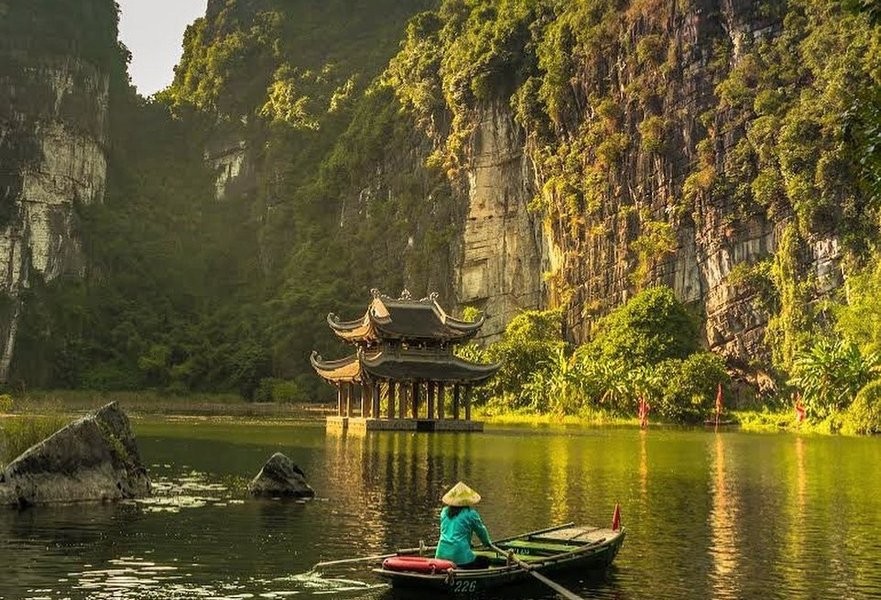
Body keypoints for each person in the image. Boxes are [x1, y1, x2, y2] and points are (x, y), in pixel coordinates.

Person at [435, 481, 492, 569]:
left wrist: (468, 542)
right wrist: (487, 543)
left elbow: (452, 532)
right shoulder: (471, 514)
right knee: (486, 561)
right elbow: (481, 531)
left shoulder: (444, 512)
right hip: (461, 559)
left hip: (440, 556)